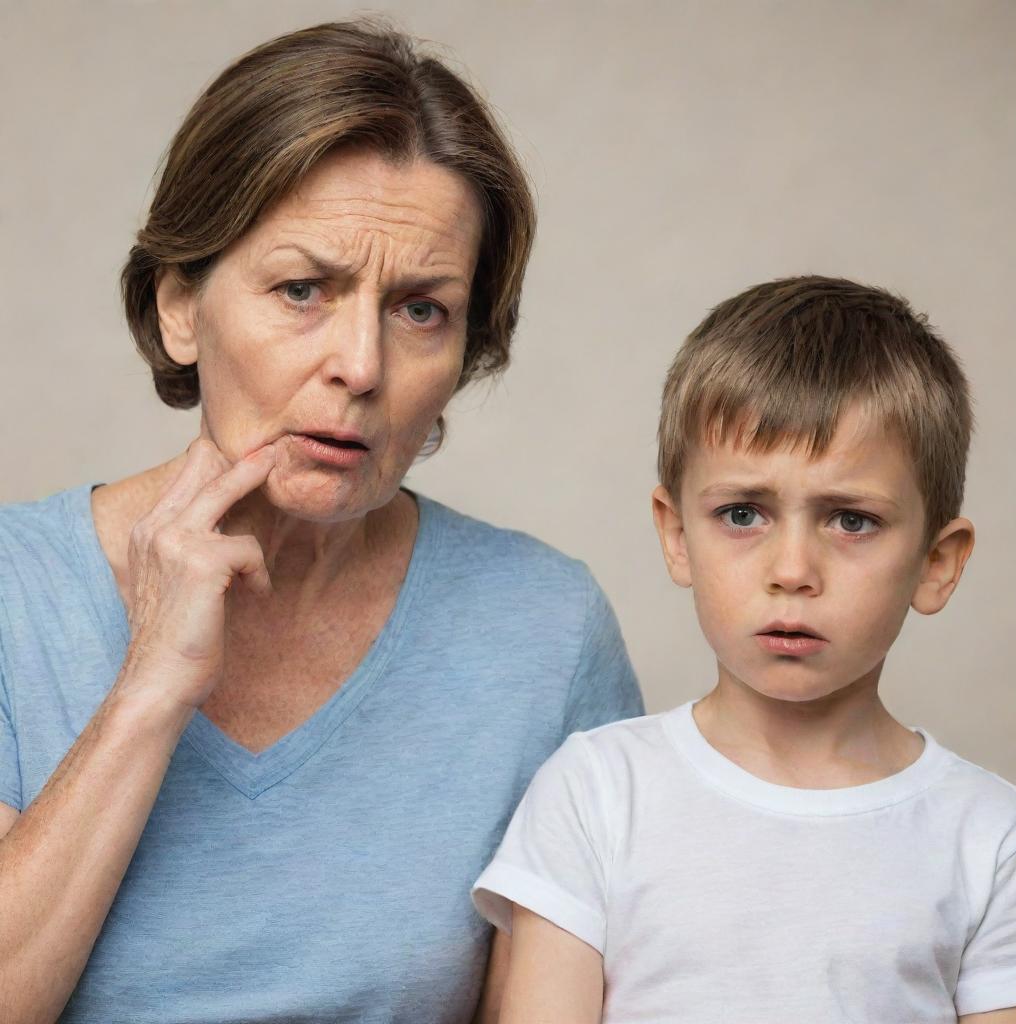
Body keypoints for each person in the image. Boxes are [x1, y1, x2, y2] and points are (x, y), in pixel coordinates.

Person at [0, 21, 643, 1023]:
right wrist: (151, 689)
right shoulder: (12, 594)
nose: (361, 365)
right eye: (303, 290)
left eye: (421, 309)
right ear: (180, 305)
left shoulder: (545, 630)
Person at [472, 276, 1016, 1023]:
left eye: (851, 521)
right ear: (676, 536)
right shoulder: (596, 795)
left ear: (937, 562)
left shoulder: (992, 839)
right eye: (742, 513)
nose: (792, 571)